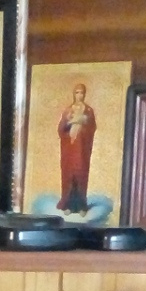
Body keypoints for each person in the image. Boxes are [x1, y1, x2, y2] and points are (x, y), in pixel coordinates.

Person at [57, 81, 96, 212]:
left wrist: (83, 123)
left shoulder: (88, 111)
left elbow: (92, 128)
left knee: (80, 174)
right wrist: (70, 122)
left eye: (82, 93)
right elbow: (61, 129)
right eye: (77, 92)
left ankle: (81, 206)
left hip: (82, 150)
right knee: (69, 175)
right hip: (69, 149)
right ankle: (68, 205)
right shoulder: (68, 110)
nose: (79, 95)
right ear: (74, 94)